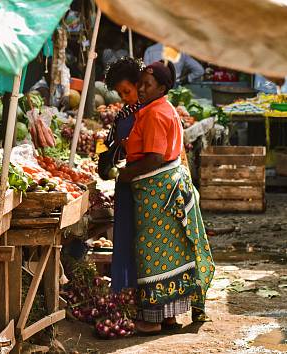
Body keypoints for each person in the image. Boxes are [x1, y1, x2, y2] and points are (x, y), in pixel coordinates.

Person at [118, 61, 214, 333]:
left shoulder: (155, 113)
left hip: (157, 192)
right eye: (140, 84)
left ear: (161, 88)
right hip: (165, 189)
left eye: (147, 85)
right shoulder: (159, 109)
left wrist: (124, 174)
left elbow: (155, 158)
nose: (141, 89)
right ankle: (169, 316)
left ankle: (152, 320)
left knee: (151, 252)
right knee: (171, 254)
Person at [102, 57, 144, 293]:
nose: (125, 98)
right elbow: (111, 143)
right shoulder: (124, 113)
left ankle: (142, 297)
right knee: (125, 239)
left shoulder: (151, 111)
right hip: (126, 181)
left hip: (146, 184)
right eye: (121, 94)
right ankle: (124, 294)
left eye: (127, 91)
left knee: (143, 242)